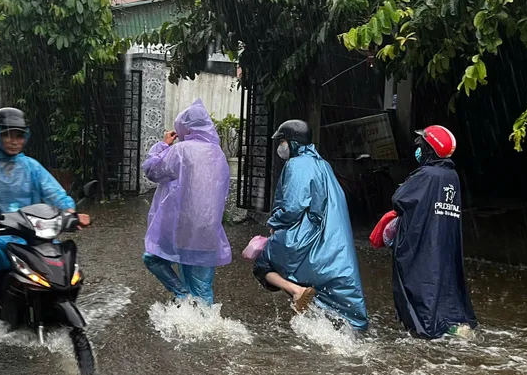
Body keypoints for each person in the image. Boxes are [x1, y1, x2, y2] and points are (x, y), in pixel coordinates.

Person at [0, 107, 89, 315]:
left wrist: (69, 211)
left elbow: (53, 191)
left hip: (29, 233)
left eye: (19, 135)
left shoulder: (31, 166)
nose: (14, 141)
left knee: (62, 261)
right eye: (7, 135)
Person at [254, 119, 369, 332]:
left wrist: (274, 224)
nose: (281, 146)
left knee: (263, 265)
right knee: (333, 295)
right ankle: (315, 312)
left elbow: (293, 206)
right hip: (329, 240)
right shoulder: (322, 164)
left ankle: (297, 291)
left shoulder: (297, 165)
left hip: (306, 237)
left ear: (293, 143)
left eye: (283, 141)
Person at [390, 125, 476, 340]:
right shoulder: (451, 175)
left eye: (421, 144)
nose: (417, 147)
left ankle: (427, 324)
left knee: (420, 279)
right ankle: (452, 321)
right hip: (444, 238)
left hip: (424, 238)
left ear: (431, 149)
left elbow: (399, 199)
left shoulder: (427, 175)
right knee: (444, 278)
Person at [142, 99, 232, 305]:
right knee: (203, 286)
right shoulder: (218, 153)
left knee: (152, 257)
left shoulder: (181, 150)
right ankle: (204, 322)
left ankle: (183, 296)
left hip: (183, 226)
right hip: (208, 228)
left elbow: (152, 170)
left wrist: (163, 145)